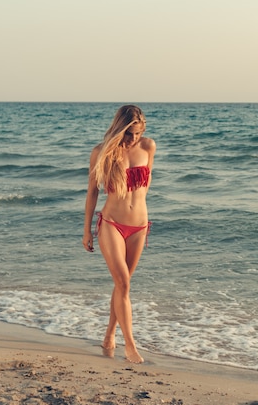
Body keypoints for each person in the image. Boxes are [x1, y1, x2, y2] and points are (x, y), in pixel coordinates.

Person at [82, 105, 155, 364]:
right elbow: (92, 192)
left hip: (139, 226)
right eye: (128, 134)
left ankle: (109, 334)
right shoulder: (101, 153)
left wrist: (142, 220)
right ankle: (130, 347)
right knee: (124, 284)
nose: (132, 139)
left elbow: (144, 188)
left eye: (137, 134)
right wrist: (87, 230)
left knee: (121, 285)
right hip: (111, 223)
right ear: (119, 129)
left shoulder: (148, 148)